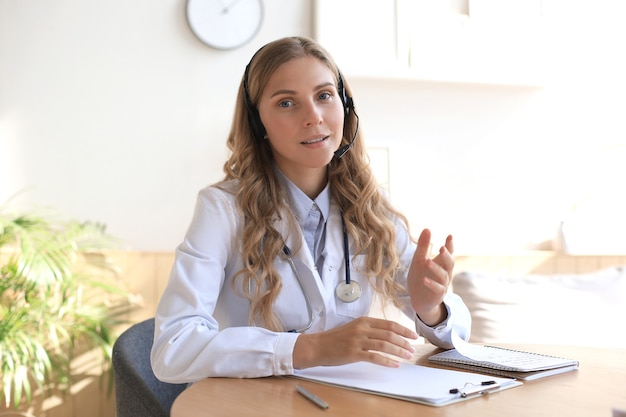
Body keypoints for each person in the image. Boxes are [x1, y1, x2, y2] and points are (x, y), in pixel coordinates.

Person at [150, 36, 471, 383]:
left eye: (324, 96)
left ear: (344, 105)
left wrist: (430, 309)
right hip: (255, 405)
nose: (314, 117)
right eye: (287, 103)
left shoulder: (371, 205)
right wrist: (309, 349)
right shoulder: (222, 209)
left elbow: (456, 334)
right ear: (258, 123)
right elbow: (173, 349)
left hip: (343, 402)